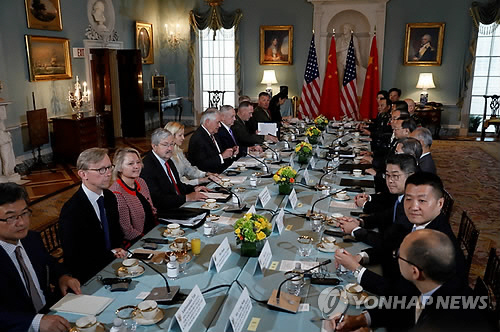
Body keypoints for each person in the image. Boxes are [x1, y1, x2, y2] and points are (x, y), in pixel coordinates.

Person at [336, 172, 467, 297]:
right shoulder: (417, 222)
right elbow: (389, 246)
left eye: (422, 201)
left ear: (440, 204)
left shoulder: (435, 246)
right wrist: (361, 257)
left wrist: (356, 269)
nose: (413, 207)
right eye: (408, 199)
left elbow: (402, 294)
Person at [330, 230, 485, 332]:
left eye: (398, 256)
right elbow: (405, 306)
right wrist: (361, 319)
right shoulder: (433, 284)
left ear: (414, 271)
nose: (395, 259)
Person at [0, 183, 81, 332]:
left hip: (52, 313)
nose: (22, 223)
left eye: (24, 213)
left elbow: (49, 263)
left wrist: (63, 276)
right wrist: (36, 322)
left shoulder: (31, 239)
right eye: (11, 218)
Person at [59, 148, 126, 283]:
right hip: (88, 275)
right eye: (101, 170)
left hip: (115, 265)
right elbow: (75, 255)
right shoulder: (71, 210)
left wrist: (117, 249)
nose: (108, 174)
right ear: (83, 174)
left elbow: (116, 232)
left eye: (109, 167)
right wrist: (110, 254)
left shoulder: (109, 197)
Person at [141, 128, 208, 216]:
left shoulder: (168, 160)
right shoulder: (148, 166)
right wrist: (187, 198)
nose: (170, 148)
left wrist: (194, 188)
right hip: (165, 212)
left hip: (179, 204)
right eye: (165, 145)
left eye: (172, 144)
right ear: (154, 146)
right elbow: (157, 199)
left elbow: (177, 185)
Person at [109, 147, 157, 246]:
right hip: (137, 242)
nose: (137, 166)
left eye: (138, 162)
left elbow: (152, 212)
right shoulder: (117, 193)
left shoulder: (140, 181)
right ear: (119, 168)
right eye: (130, 164)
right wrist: (151, 242)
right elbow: (127, 232)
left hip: (153, 231)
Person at [187, 108, 235, 173]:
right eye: (218, 122)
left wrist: (231, 152)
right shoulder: (198, 138)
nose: (220, 125)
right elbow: (201, 164)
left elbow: (218, 154)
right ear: (207, 122)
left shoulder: (213, 133)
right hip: (208, 176)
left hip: (221, 171)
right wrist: (222, 157)